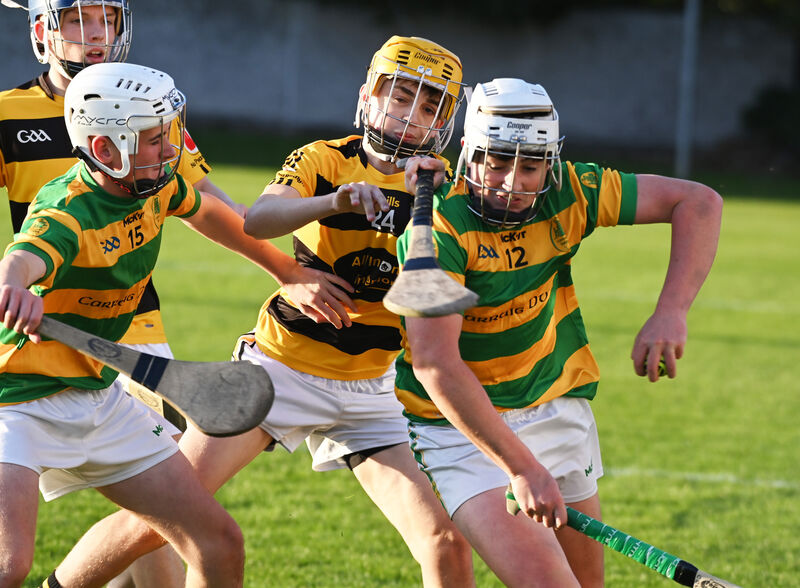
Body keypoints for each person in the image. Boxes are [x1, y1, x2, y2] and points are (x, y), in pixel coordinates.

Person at [45, 35, 476, 588]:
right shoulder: (325, 158)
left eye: (429, 106)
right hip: (280, 369)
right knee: (165, 518)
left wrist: (444, 205)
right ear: (368, 95)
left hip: (373, 389)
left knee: (445, 542)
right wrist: (337, 200)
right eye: (400, 96)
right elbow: (261, 219)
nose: (410, 116)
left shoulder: (446, 187)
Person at [396, 77, 723, 587]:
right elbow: (435, 364)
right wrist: (522, 467)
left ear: (551, 162)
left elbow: (699, 203)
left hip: (555, 402)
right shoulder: (437, 230)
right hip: (462, 430)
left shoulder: (573, 190)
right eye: (497, 162)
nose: (510, 183)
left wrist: (671, 311)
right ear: (467, 151)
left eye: (529, 167)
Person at [0, 61, 303, 588]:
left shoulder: (154, 184)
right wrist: (12, 286)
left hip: (99, 396)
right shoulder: (67, 212)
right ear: (104, 149)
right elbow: (24, 257)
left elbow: (206, 210)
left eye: (170, 132)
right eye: (154, 137)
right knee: (9, 565)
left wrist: (288, 272)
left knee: (218, 541)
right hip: (18, 402)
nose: (171, 149)